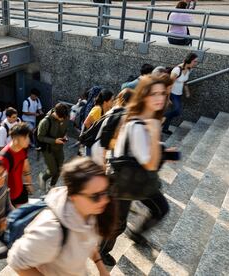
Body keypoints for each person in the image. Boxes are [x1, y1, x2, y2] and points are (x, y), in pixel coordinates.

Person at [99, 74, 173, 266]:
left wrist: (164, 150)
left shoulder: (148, 119)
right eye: (153, 93)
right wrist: (156, 132)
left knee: (161, 209)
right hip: (124, 182)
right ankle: (101, 251)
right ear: (144, 96)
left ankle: (137, 233)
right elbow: (148, 162)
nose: (160, 98)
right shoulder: (138, 123)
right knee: (118, 225)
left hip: (139, 179)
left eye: (162, 93)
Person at [7, 157, 115, 276]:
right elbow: (16, 260)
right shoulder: (51, 231)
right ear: (73, 196)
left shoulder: (91, 211)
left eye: (105, 191)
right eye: (95, 196)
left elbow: (87, 242)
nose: (104, 200)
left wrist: (101, 267)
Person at [162, 52, 198, 135]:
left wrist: (187, 92)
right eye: (195, 61)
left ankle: (165, 128)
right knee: (177, 111)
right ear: (189, 60)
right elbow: (169, 85)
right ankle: (162, 116)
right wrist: (167, 98)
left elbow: (184, 81)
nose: (196, 63)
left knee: (173, 112)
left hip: (179, 94)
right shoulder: (177, 70)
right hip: (172, 94)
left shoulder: (189, 69)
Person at [0, 123, 33, 207]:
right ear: (15, 139)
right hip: (9, 198)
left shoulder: (23, 149)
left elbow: (26, 167)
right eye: (25, 138)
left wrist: (29, 183)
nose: (28, 140)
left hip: (21, 190)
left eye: (28, 137)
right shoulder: (3, 158)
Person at [37, 103, 69, 193]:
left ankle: (52, 186)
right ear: (56, 113)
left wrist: (65, 136)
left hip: (59, 148)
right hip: (48, 149)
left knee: (59, 168)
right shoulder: (45, 122)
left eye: (65, 118)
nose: (63, 120)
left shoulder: (65, 116)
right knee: (53, 170)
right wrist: (54, 141)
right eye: (61, 118)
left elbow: (65, 129)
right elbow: (40, 137)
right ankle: (43, 177)